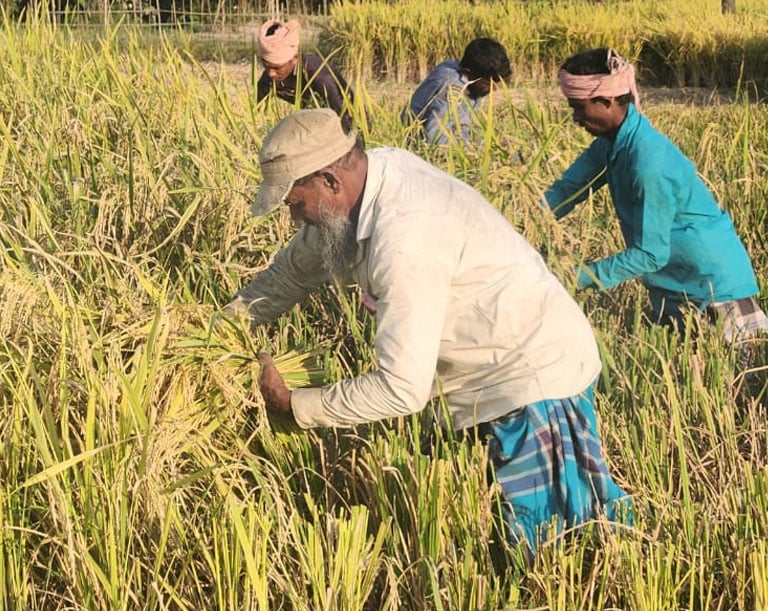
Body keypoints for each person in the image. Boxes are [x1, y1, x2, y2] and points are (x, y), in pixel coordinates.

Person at [226, 109, 632, 558]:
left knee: (555, 549)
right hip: (479, 376)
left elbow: (402, 388)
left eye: (295, 204)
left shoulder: (405, 236)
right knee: (490, 532)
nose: (295, 219)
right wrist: (218, 331)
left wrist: (295, 404)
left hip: (528, 379)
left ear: (329, 180)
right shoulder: (363, 181)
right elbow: (288, 276)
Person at [545, 47, 766, 342]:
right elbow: (567, 190)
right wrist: (521, 222)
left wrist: (574, 276)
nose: (575, 118)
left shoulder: (649, 162)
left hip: (713, 289)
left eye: (578, 107)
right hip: (674, 288)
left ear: (607, 101)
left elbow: (650, 254)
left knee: (736, 382)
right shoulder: (609, 145)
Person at [404, 37, 512, 146]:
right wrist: (473, 149)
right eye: (489, 82)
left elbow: (464, 126)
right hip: (419, 145)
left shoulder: (468, 79)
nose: (493, 89)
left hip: (456, 137)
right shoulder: (451, 87)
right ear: (471, 73)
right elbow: (434, 137)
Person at [256, 19, 357, 131]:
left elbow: (342, 118)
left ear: (295, 58)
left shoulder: (320, 78)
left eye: (277, 67)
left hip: (350, 123)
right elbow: (257, 110)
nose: (270, 73)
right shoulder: (269, 79)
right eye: (266, 66)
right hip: (314, 123)